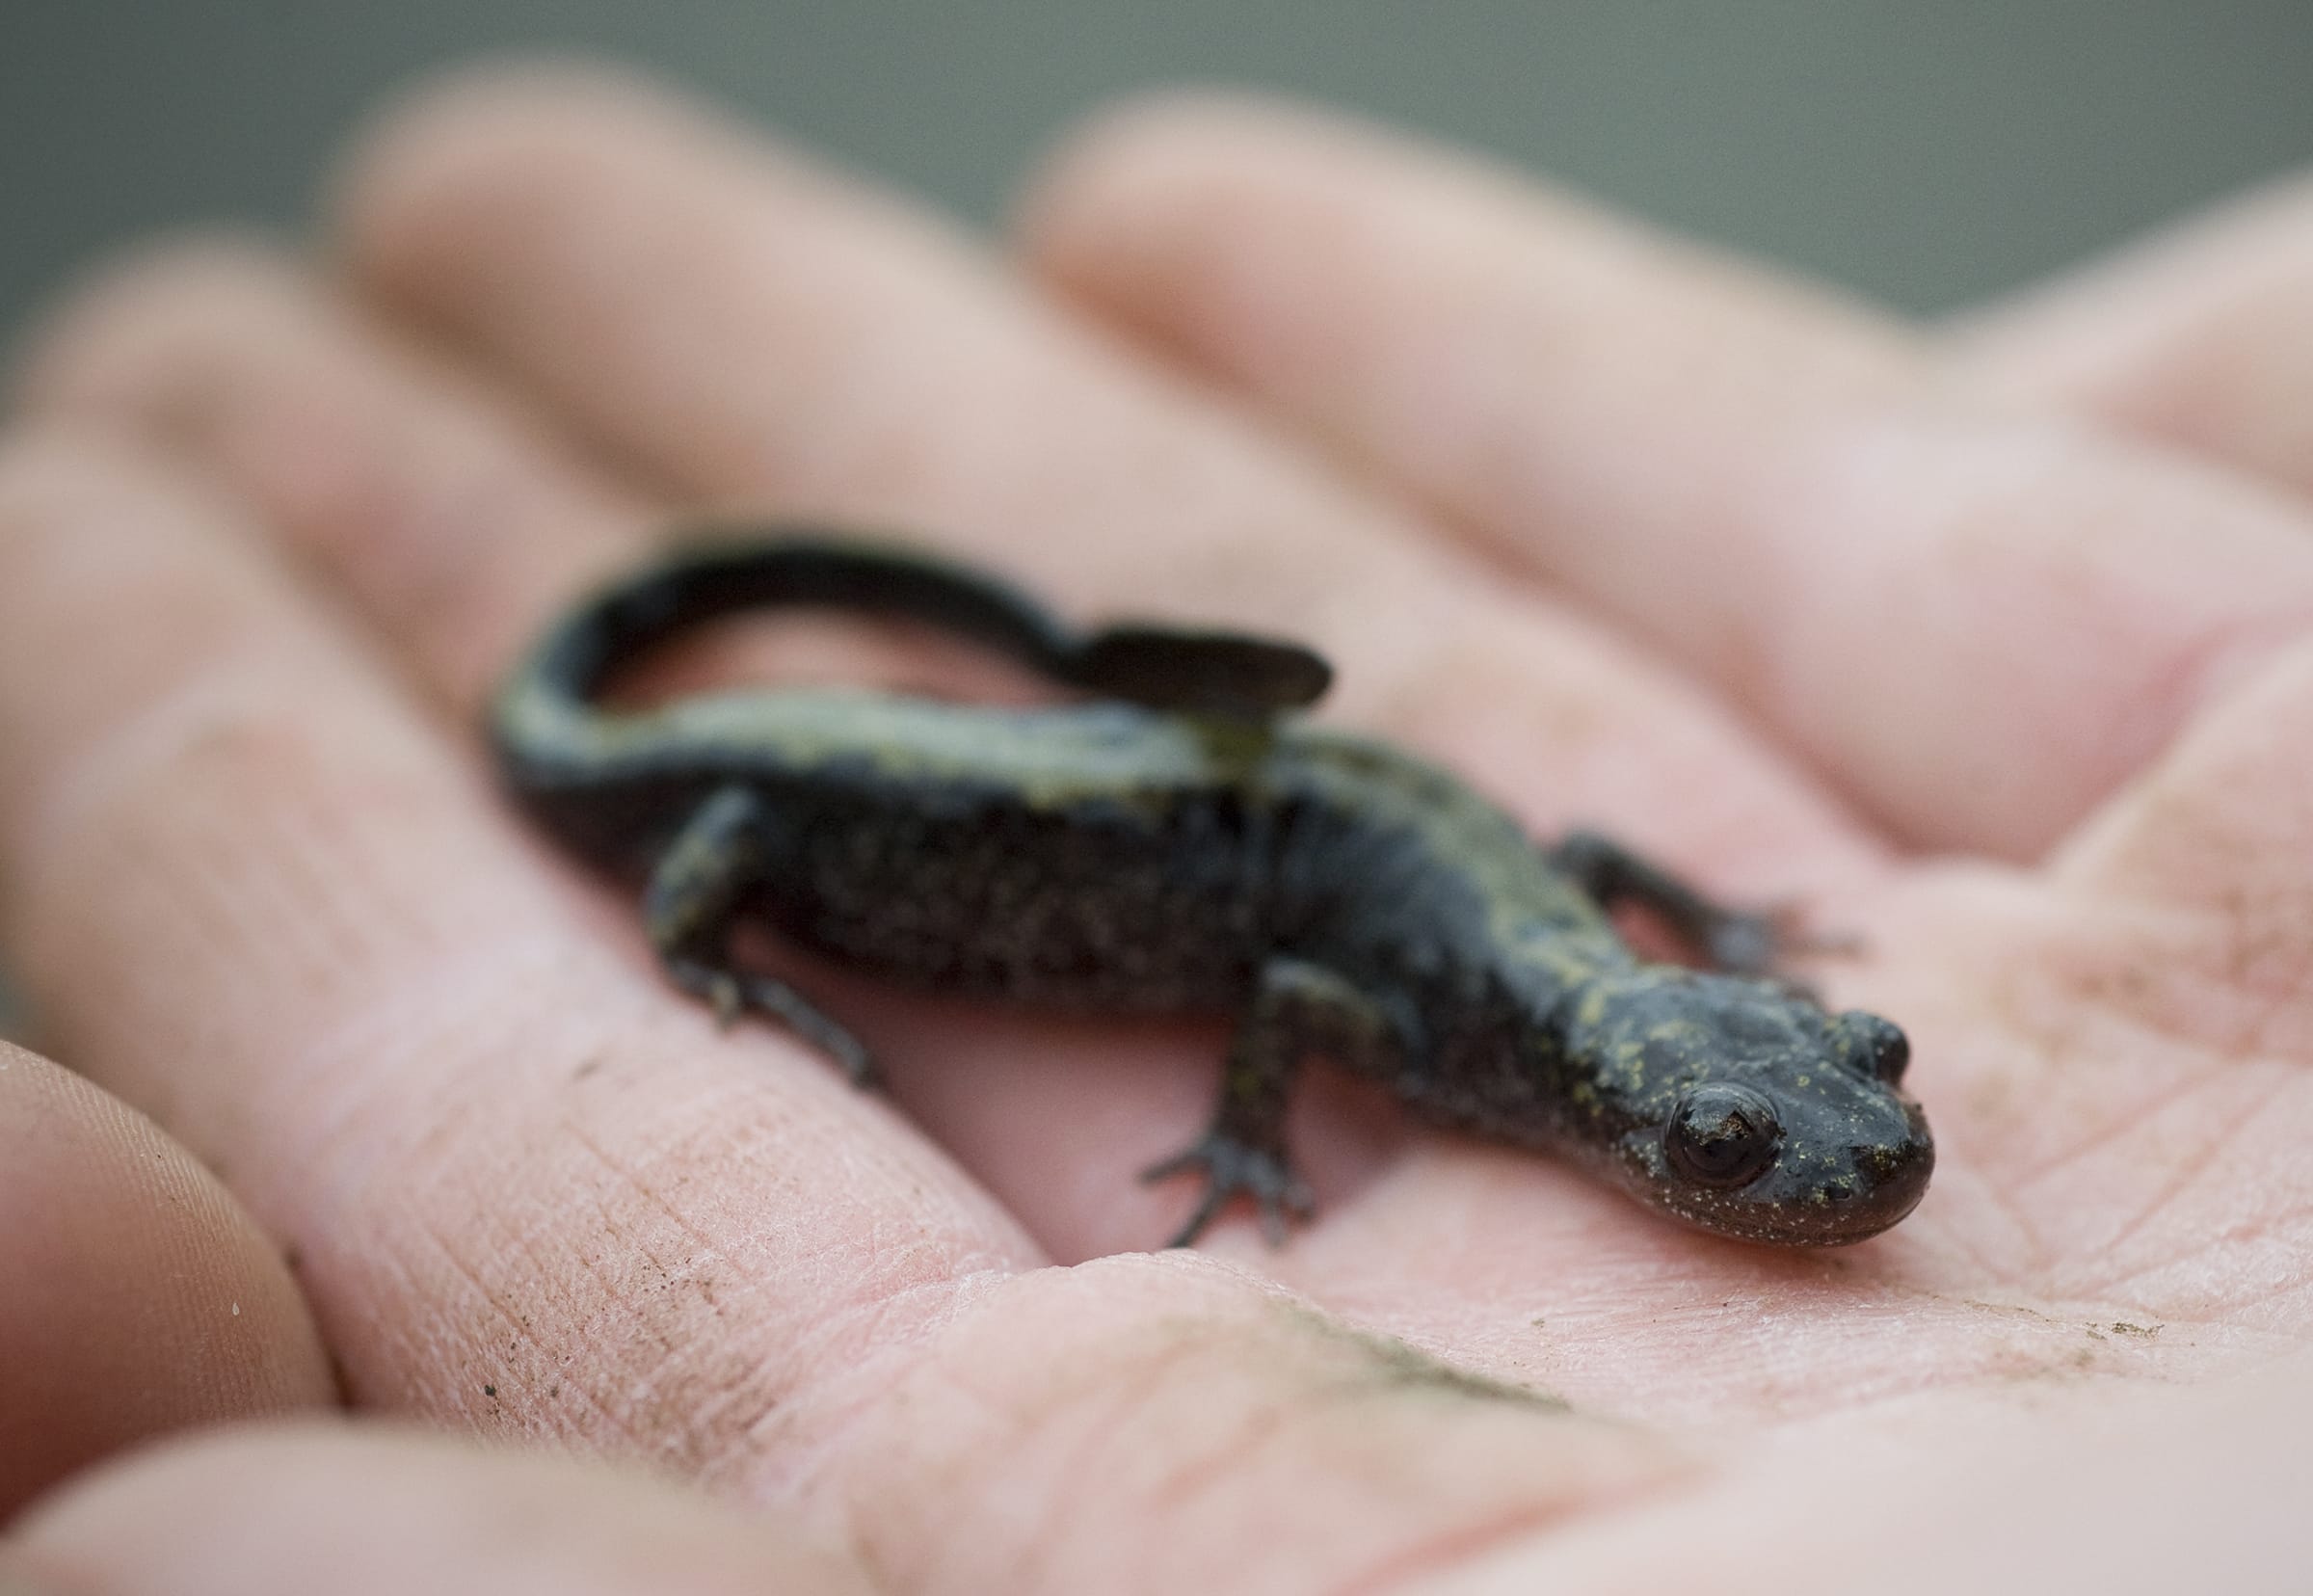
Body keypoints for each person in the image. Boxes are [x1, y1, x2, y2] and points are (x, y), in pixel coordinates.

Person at [3, 62, 2310, 1593]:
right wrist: (720, 950)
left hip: (1247, 814)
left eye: (1803, 1106)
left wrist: (1688, 915)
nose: (1842, 1156)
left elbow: (1558, 869)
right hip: (771, 787)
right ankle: (720, 845)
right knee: (733, 827)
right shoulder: (1463, 1021)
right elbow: (1328, 969)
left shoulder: (1549, 1010)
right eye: (1745, 1136)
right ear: (1631, 1077)